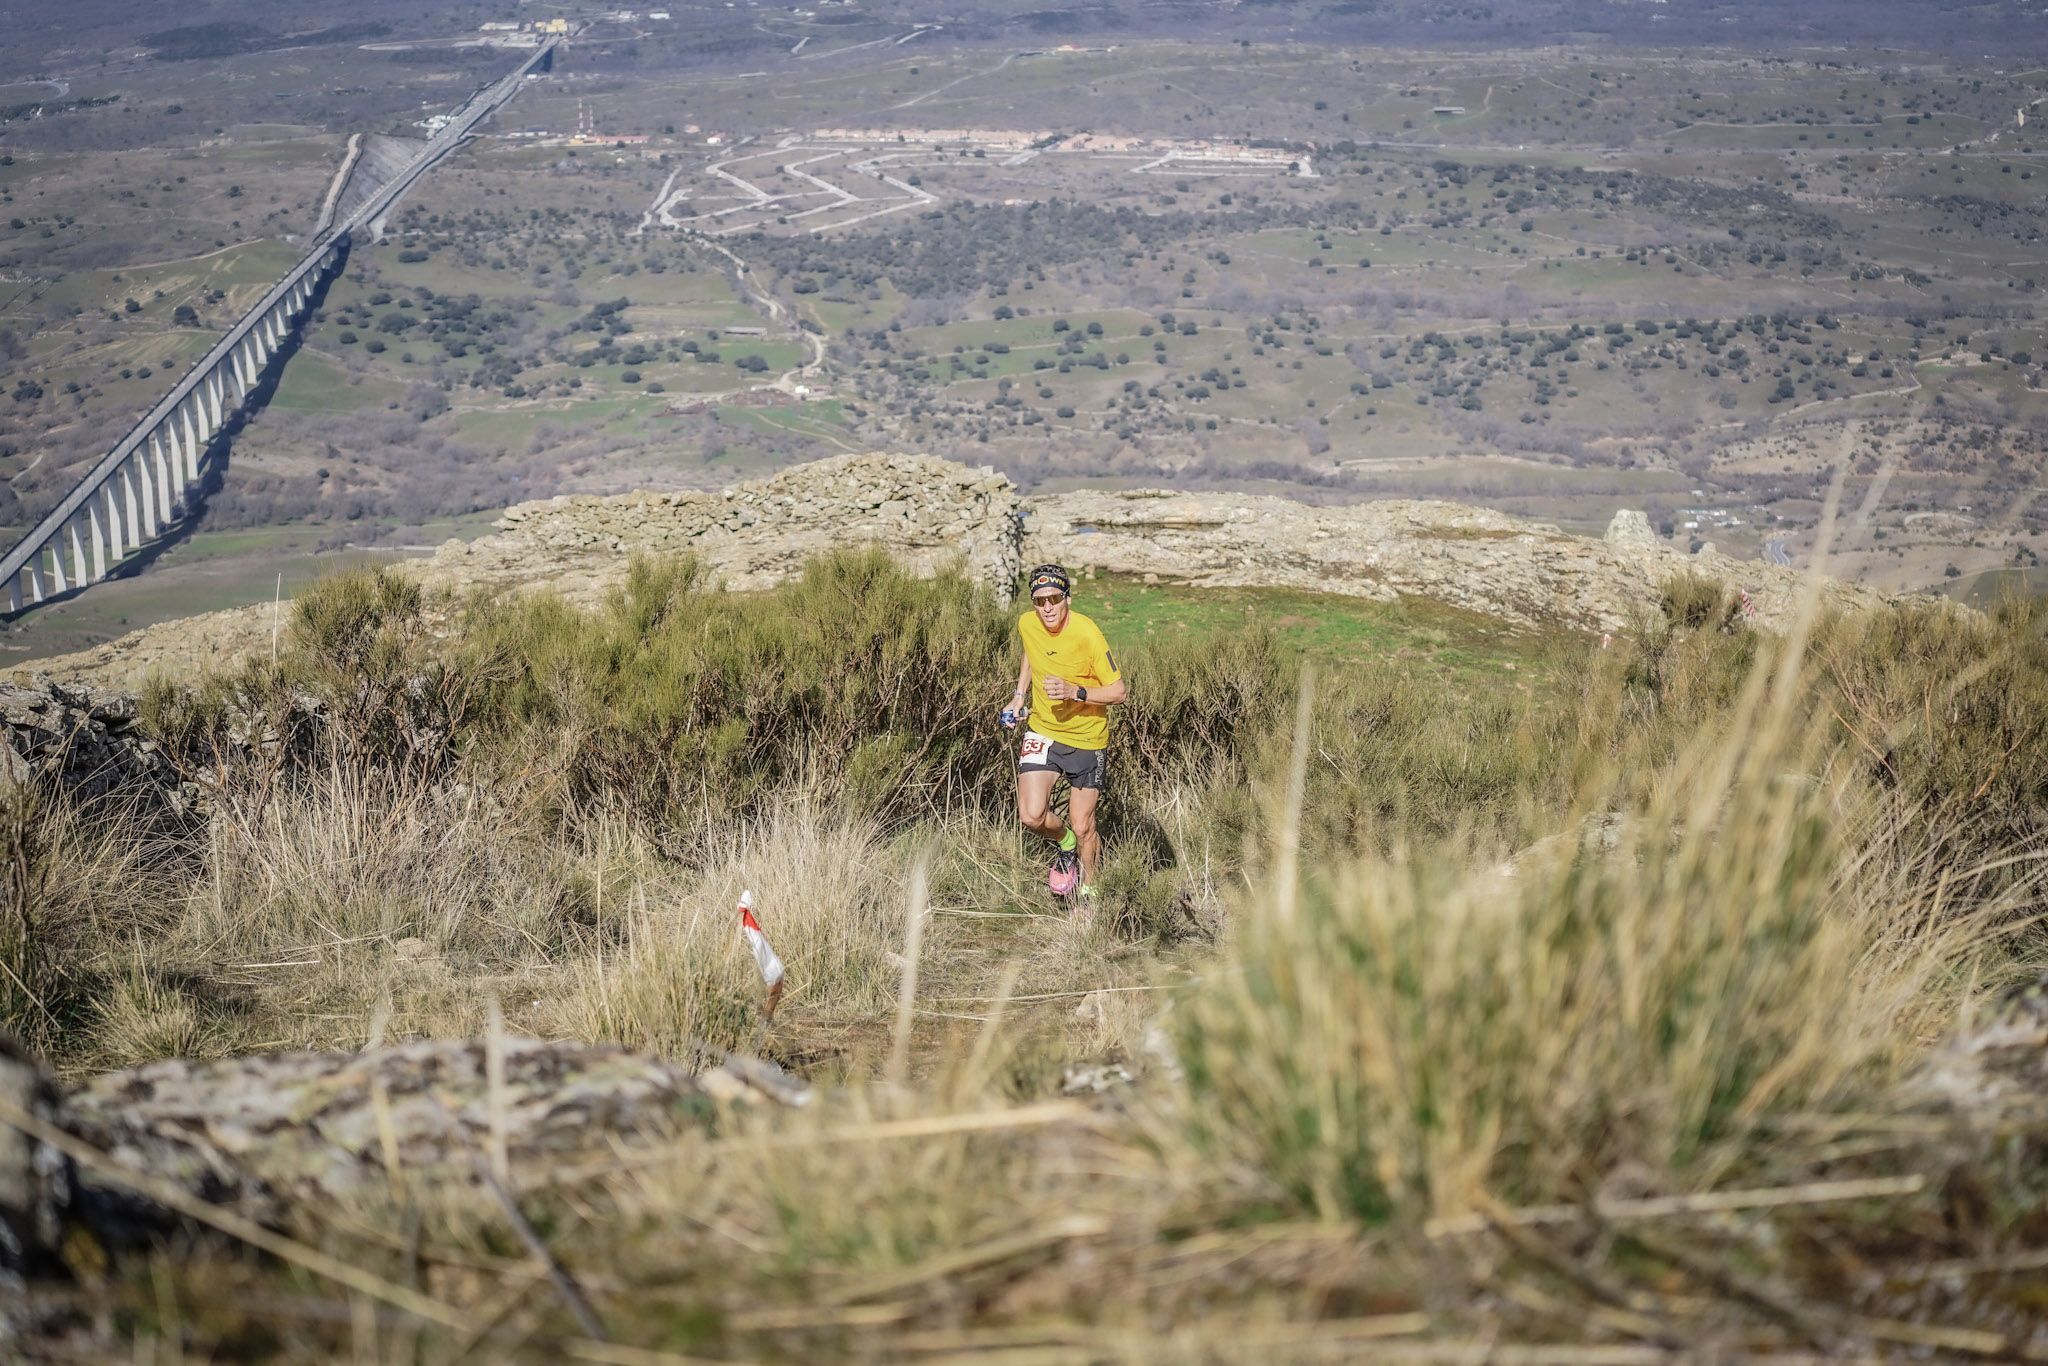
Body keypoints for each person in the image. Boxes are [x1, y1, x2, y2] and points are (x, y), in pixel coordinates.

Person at [1002, 564, 1126, 912]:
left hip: (1087, 739)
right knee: (1031, 815)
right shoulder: (1028, 623)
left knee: (1084, 824)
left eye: (1055, 598)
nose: (1048, 608)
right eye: (1040, 601)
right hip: (1043, 729)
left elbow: (1118, 691)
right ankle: (1065, 844)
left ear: (1067, 597)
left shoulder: (1087, 632)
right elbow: (1031, 651)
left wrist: (1075, 691)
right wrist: (1018, 695)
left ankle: (1090, 894)